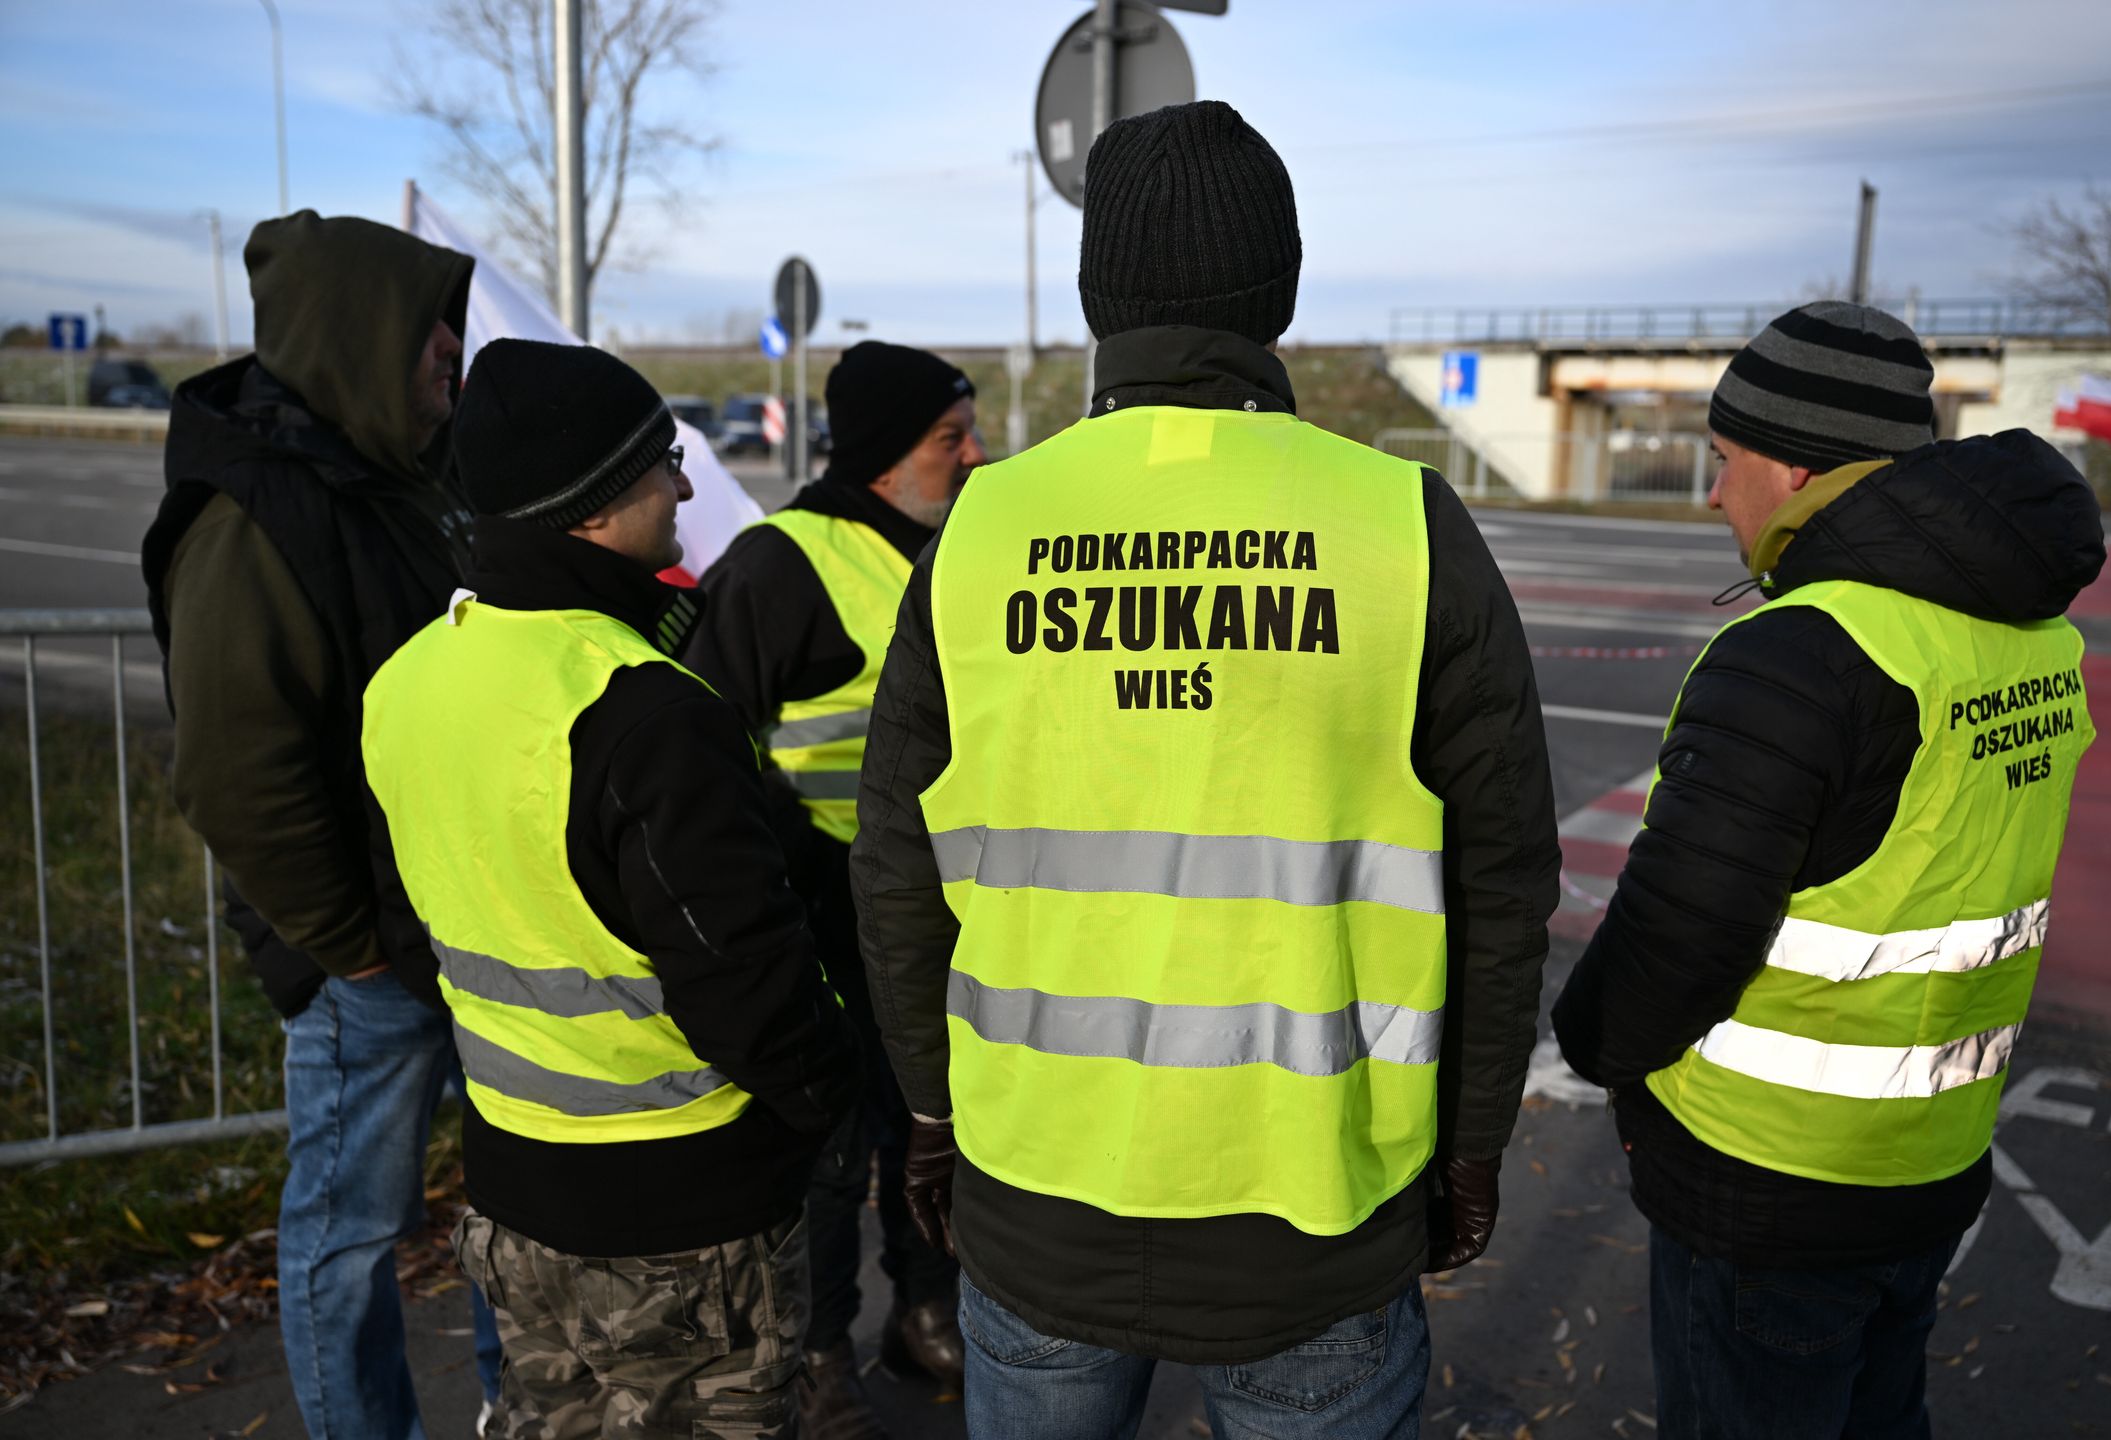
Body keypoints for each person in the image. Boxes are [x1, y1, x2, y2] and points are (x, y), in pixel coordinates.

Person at [849, 100, 1560, 1439]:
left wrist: (932, 1117)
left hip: (1036, 1197)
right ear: (1279, 291)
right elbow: (1504, 881)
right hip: (1316, 1218)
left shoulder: (985, 528)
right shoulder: (1401, 527)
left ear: (1091, 295)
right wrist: (1469, 1145)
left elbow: (896, 870)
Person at [1551, 302, 2107, 1439]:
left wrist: (1593, 1050)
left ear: (1793, 467)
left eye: (1722, 462)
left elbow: (1681, 935)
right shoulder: (2030, 634)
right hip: (1933, 1156)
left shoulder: (1802, 653)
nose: (1713, 495)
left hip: (1768, 1182)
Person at [362, 338, 861, 1439]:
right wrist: (841, 1107)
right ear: (592, 505)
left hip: (512, 1198)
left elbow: (409, 933)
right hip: (688, 1220)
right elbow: (750, 990)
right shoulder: (645, 711)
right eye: (665, 462)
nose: (686, 484)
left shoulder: (408, 681)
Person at [141, 210, 502, 1439]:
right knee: (349, 1236)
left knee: (507, 1211)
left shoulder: (408, 477)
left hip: (461, 927)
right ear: (361, 340)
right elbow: (236, 773)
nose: (452, 363)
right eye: (432, 341)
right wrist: (346, 949)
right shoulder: (252, 518)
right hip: (373, 960)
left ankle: (525, 1415)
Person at [686, 341, 981, 1436]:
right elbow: (710, 743)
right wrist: (802, 867)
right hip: (824, 917)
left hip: (940, 916)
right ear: (879, 455)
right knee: (828, 1158)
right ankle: (818, 1356)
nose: (973, 453)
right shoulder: (782, 562)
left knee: (929, 1131)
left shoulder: (959, 551)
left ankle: (924, 1312)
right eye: (950, 437)